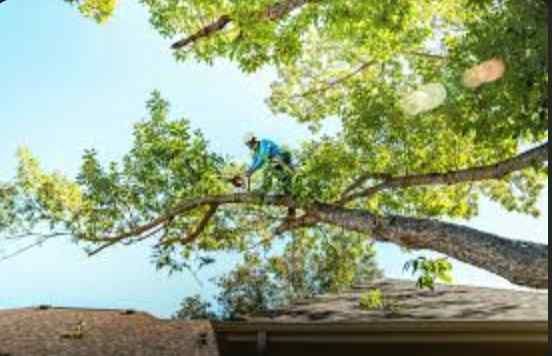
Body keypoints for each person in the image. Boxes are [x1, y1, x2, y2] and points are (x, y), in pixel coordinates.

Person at [238, 132, 295, 217]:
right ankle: (291, 209)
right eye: (248, 145)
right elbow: (254, 163)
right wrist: (248, 172)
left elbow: (262, 159)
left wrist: (252, 170)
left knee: (268, 169)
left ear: (253, 140)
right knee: (285, 184)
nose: (249, 147)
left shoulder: (264, 143)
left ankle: (263, 190)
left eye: (249, 144)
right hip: (276, 166)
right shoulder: (256, 154)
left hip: (282, 158)